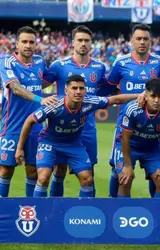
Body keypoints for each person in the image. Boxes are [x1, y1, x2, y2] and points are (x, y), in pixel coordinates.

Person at [15, 74, 139, 197]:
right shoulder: (54, 105)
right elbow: (30, 120)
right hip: (49, 142)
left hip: (74, 144)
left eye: (81, 88)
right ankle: (40, 212)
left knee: (87, 179)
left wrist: (140, 96)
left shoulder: (90, 102)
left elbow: (115, 99)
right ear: (66, 90)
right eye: (74, 88)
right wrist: (20, 148)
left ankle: (84, 213)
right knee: (43, 177)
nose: (78, 92)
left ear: (85, 90)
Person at [43, 25, 113, 197]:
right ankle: (54, 211)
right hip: (62, 127)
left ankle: (89, 214)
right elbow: (41, 85)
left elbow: (103, 89)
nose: (83, 44)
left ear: (91, 44)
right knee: (59, 170)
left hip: (87, 128)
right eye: (79, 40)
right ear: (72, 43)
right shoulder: (59, 66)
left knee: (89, 172)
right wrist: (41, 100)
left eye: (86, 40)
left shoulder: (99, 67)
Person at [105, 23, 160, 198]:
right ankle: (113, 205)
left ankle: (157, 213)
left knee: (159, 178)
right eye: (138, 38)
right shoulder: (121, 62)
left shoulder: (158, 62)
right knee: (120, 174)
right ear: (131, 41)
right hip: (126, 126)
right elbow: (109, 89)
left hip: (151, 130)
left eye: (146, 39)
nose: (142, 42)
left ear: (150, 41)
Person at [0, 26, 57, 197]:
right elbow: (16, 88)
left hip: (36, 127)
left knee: (33, 170)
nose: (28, 45)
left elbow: (44, 81)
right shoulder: (7, 62)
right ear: (17, 44)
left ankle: (31, 211)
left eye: (31, 42)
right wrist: (41, 99)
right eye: (24, 41)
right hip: (12, 125)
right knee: (5, 170)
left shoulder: (40, 61)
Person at [116, 78, 160, 198]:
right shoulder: (133, 109)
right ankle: (121, 213)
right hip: (130, 147)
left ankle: (156, 215)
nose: (156, 100)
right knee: (125, 179)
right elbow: (125, 139)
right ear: (146, 95)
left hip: (152, 149)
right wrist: (128, 166)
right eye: (153, 96)